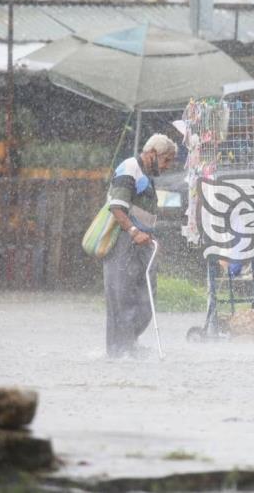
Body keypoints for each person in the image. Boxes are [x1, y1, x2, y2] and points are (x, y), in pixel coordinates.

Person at [103, 134, 177, 357]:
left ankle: (129, 343)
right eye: (166, 160)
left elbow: (143, 212)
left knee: (146, 299)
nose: (167, 166)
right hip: (123, 242)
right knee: (121, 298)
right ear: (152, 153)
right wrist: (134, 231)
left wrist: (151, 237)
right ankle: (120, 351)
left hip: (143, 243)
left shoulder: (147, 175)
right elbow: (117, 207)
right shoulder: (129, 167)